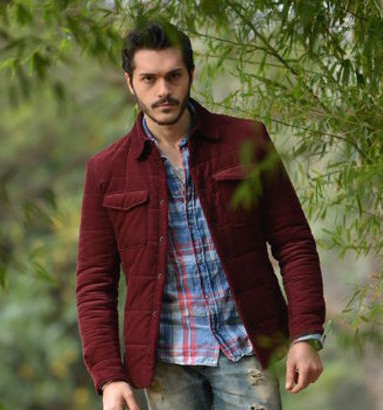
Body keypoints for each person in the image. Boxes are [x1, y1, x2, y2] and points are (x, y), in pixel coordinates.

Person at [76, 20, 326, 410]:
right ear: (130, 83)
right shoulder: (106, 171)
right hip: (165, 365)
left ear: (191, 74)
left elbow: (293, 241)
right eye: (149, 79)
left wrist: (305, 333)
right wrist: (110, 376)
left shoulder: (246, 142)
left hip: (244, 349)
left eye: (174, 76)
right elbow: (94, 283)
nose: (163, 90)